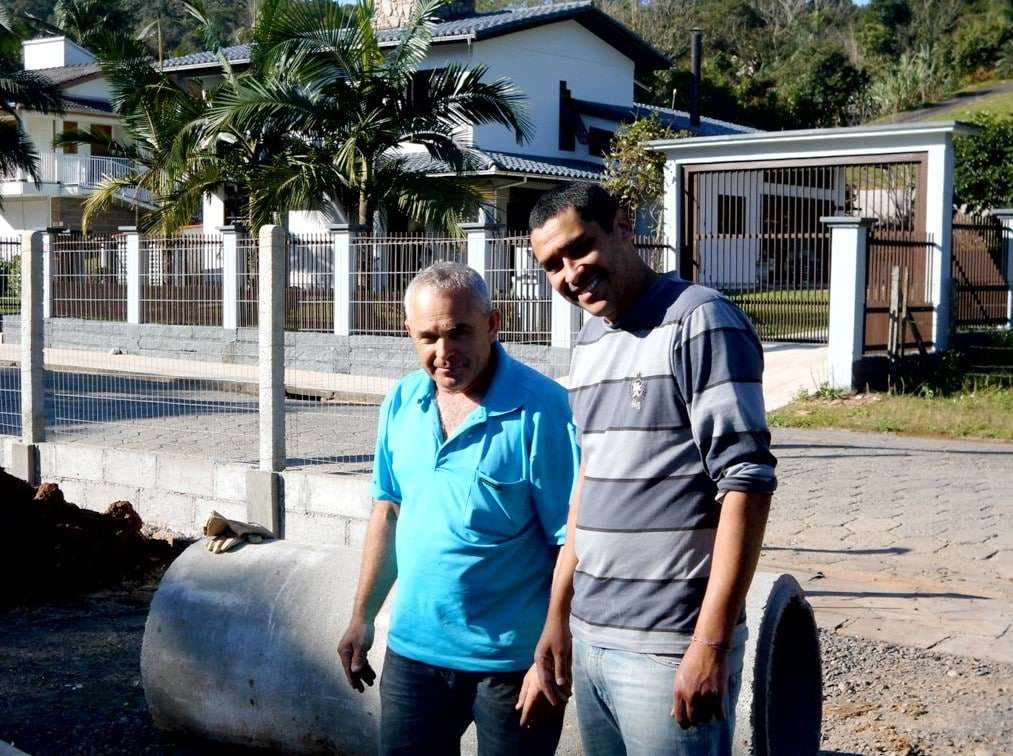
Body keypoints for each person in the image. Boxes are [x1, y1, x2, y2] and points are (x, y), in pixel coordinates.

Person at [526, 183, 777, 755]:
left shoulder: (701, 321)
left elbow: (746, 482)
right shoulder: (590, 342)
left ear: (622, 224)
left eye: (579, 248)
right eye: (552, 265)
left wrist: (709, 643)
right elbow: (588, 486)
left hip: (668, 645)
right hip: (592, 638)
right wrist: (557, 616)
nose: (571, 273)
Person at [337, 261, 578, 756]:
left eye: (458, 333)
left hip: (513, 664)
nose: (443, 353)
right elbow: (389, 510)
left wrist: (552, 650)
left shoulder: (544, 410)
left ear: (493, 324)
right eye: (427, 337)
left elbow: (573, 541)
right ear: (408, 332)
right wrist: (362, 616)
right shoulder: (402, 401)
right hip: (414, 656)